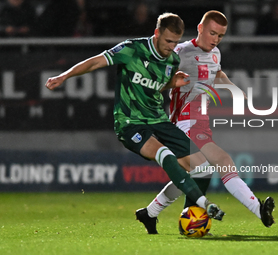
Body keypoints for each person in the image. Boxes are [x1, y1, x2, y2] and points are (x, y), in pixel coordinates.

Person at [45, 12, 225, 223]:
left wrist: (171, 83)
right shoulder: (132, 49)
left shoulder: (173, 60)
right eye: (168, 41)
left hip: (159, 120)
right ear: (156, 33)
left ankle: (156, 215)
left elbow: (157, 84)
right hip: (130, 123)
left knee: (202, 168)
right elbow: (95, 63)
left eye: (175, 42)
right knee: (164, 154)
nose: (171, 46)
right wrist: (64, 76)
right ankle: (204, 205)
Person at [135, 10, 275, 235]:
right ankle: (258, 209)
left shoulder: (216, 53)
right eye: (212, 33)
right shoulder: (180, 52)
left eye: (220, 36)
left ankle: (149, 213)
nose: (216, 39)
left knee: (197, 173)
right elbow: (155, 82)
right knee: (222, 161)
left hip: (201, 122)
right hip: (184, 121)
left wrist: (236, 91)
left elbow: (217, 73)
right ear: (200, 29)